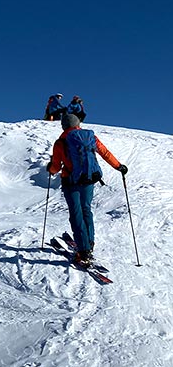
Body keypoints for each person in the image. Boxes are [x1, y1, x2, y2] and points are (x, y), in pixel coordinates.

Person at [47, 113, 128, 264]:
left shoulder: (61, 142)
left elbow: (56, 167)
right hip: (89, 179)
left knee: (76, 213)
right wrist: (119, 166)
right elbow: (105, 152)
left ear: (64, 125)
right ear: (78, 124)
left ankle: (83, 251)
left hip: (71, 181)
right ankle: (89, 243)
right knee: (86, 210)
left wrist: (50, 169)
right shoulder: (89, 137)